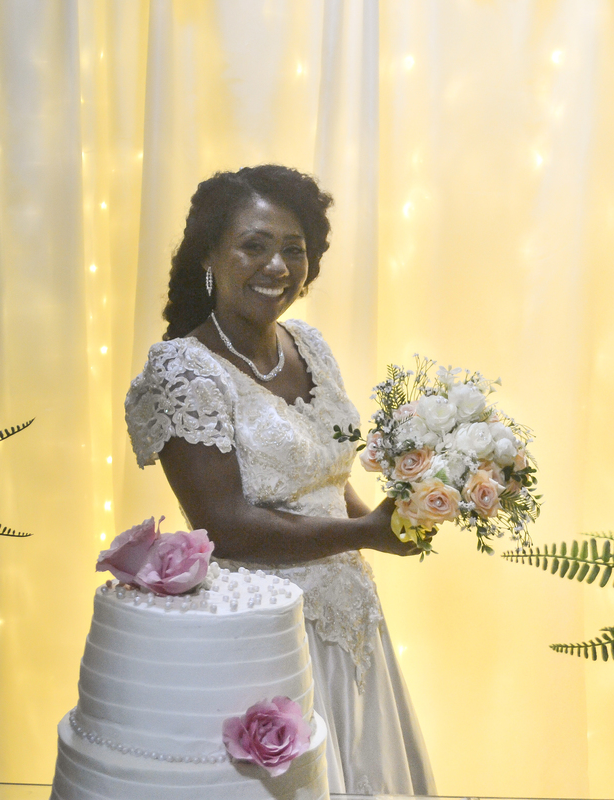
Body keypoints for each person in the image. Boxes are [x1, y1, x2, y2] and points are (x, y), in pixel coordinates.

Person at [124, 165, 436, 795]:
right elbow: (227, 527)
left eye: (294, 250)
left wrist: (395, 517)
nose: (277, 266)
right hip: (266, 634)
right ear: (210, 254)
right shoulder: (184, 370)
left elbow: (326, 472)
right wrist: (367, 535)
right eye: (254, 245)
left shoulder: (308, 345)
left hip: (353, 621)